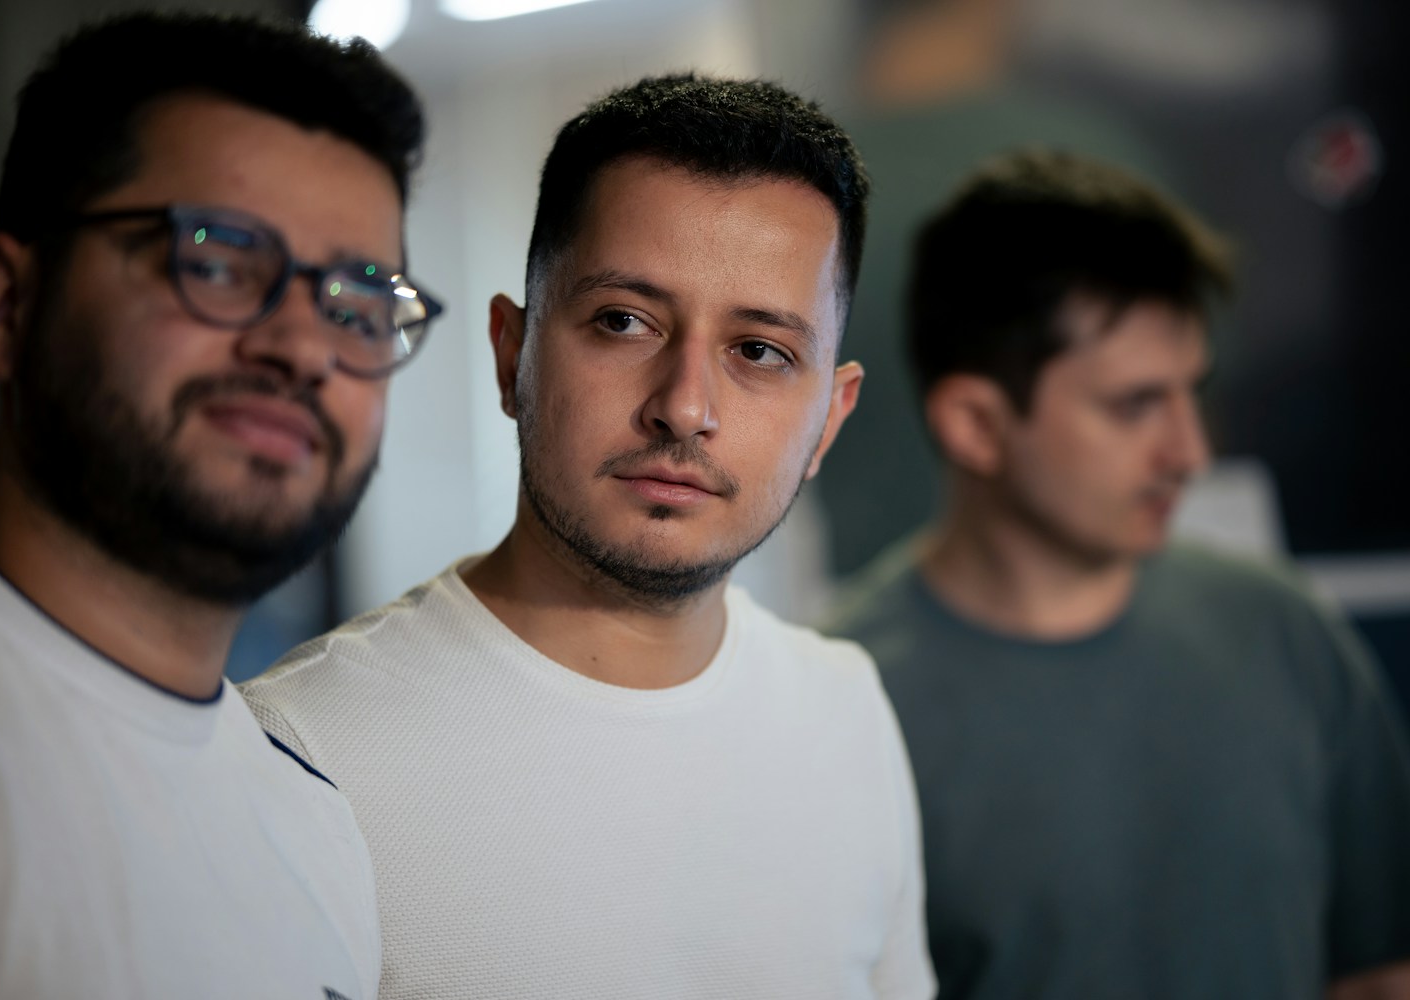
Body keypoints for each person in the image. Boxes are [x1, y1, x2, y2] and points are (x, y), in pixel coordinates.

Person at [241, 74, 934, 999]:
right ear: (510, 354)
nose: (685, 407)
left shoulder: (847, 713)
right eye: (624, 322)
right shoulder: (299, 754)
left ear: (830, 421)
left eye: (759, 350)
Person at [826, 148, 1410, 1000]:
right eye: (1136, 405)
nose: (1190, 453)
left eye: (1190, 394)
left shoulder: (1284, 632)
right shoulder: (839, 703)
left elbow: (1384, 979)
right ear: (977, 425)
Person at [0, 13, 442, 999]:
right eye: (220, 258)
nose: (300, 347)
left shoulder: (315, 823)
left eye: (359, 304)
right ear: (7, 306)